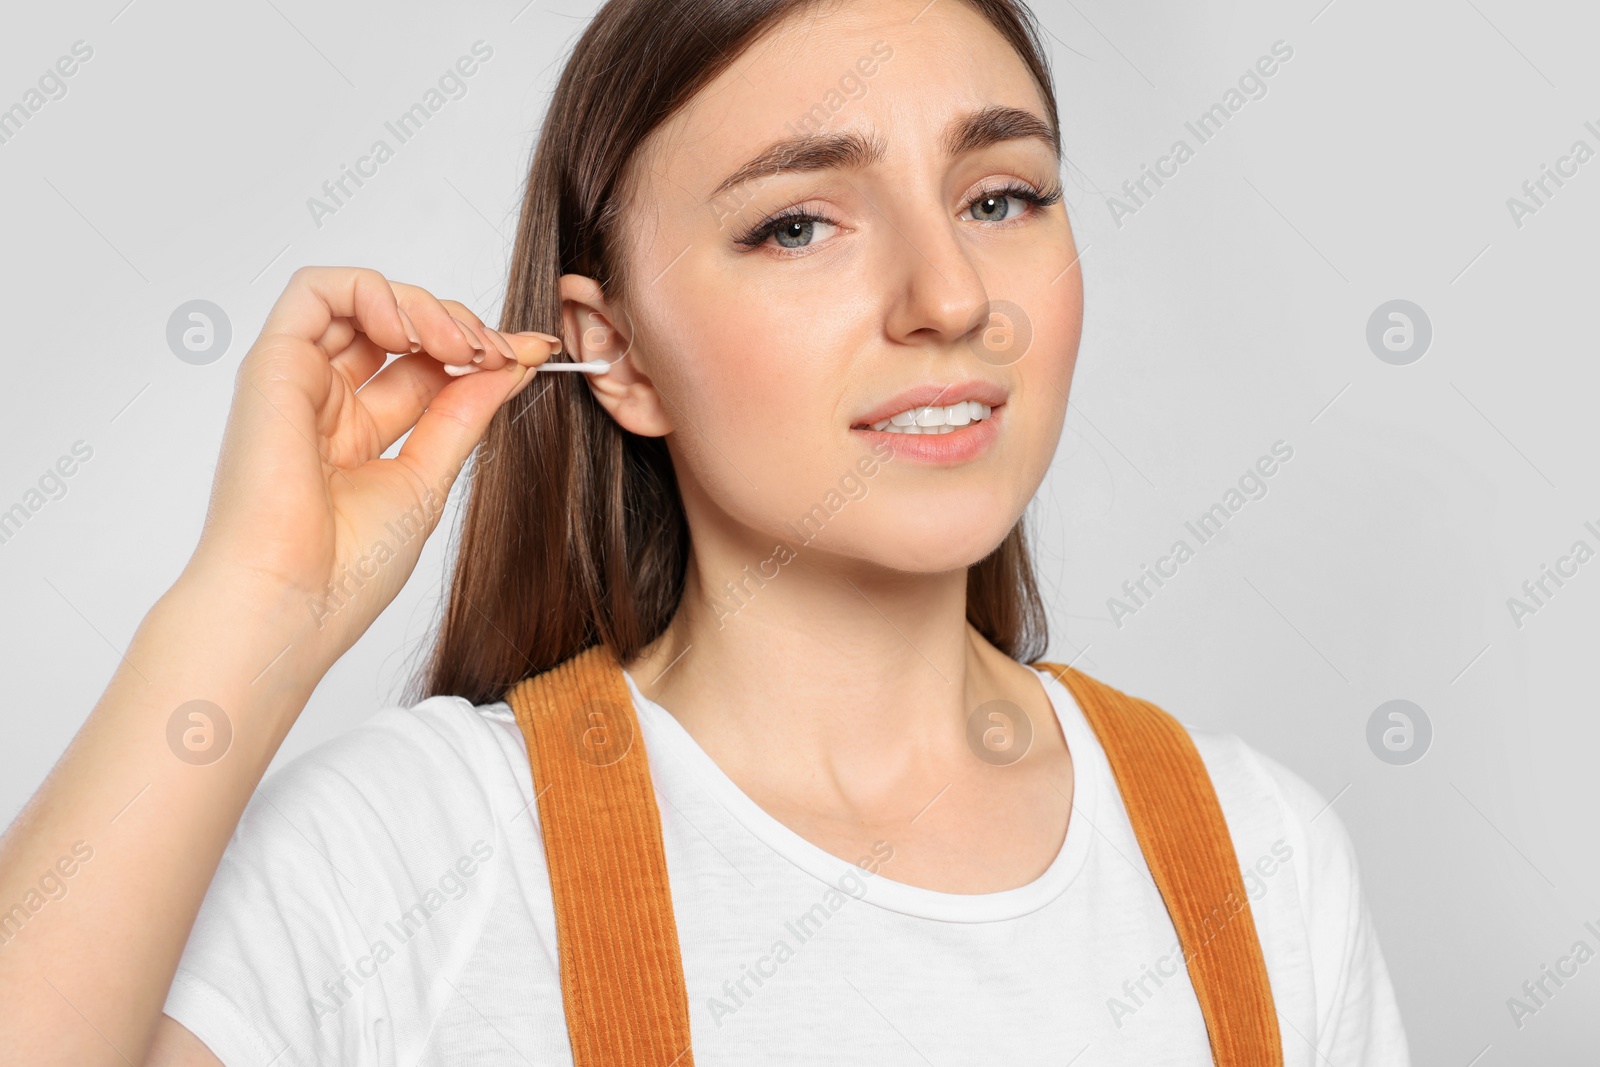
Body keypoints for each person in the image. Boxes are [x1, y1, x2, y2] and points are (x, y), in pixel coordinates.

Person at [0, 0, 1411, 1062]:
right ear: (616, 354)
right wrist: (248, 613)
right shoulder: (413, 852)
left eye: (1001, 197)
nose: (949, 295)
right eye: (799, 224)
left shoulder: (1258, 859)